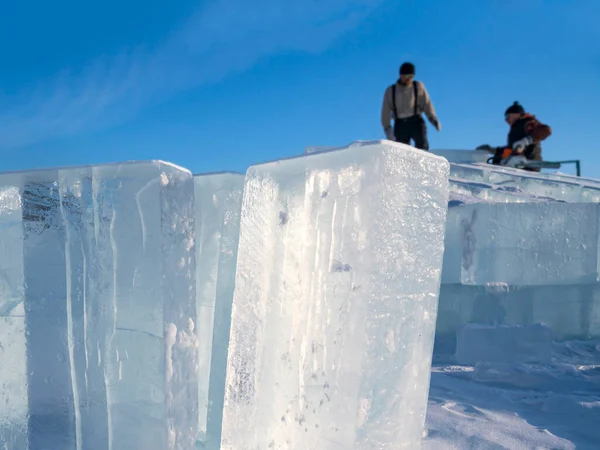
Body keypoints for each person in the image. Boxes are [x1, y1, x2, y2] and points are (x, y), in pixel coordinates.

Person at [380, 62, 441, 150]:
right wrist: (387, 128)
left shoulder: (418, 86)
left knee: (422, 145)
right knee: (402, 151)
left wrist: (433, 118)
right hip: (400, 124)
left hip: (416, 121)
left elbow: (427, 104)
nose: (409, 79)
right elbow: (385, 111)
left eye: (411, 77)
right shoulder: (391, 91)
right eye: (406, 76)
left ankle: (422, 162)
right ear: (401, 75)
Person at [478, 101, 552, 172]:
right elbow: (510, 149)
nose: (506, 120)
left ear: (517, 114)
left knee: (511, 159)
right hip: (516, 165)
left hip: (530, 163)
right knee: (497, 160)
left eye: (507, 116)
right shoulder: (515, 129)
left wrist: (527, 140)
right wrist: (492, 150)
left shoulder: (528, 122)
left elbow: (546, 131)